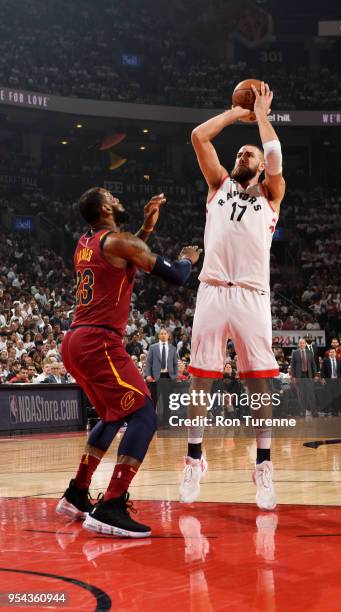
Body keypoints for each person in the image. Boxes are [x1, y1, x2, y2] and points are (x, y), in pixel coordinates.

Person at [56, 187, 200, 538]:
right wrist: (188, 259)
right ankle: (113, 503)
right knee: (144, 415)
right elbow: (176, 276)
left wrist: (147, 230)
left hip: (75, 340)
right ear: (106, 208)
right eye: (112, 197)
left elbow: (123, 252)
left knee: (112, 415)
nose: (119, 200)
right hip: (99, 340)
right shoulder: (118, 242)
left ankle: (77, 493)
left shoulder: (85, 242)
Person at [180, 81, 286, 510]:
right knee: (200, 380)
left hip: (252, 295)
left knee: (258, 383)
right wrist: (233, 113)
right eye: (240, 152)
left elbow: (275, 153)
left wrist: (261, 113)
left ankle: (263, 467)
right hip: (212, 290)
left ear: (261, 168)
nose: (243, 154)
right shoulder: (218, 186)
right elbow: (198, 138)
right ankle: (193, 459)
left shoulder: (272, 196)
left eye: (250, 153)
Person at [145, 327, 178, 406]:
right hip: (155, 377)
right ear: (158, 336)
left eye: (165, 334)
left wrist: (175, 376)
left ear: (168, 336)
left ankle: (166, 418)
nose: (163, 335)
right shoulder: (152, 347)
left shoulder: (173, 348)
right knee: (153, 402)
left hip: (168, 377)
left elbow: (175, 364)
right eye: (161, 334)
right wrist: (148, 375)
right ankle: (152, 418)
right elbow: (149, 362)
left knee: (167, 402)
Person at [290, 338, 317, 416]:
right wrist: (293, 377)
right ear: (298, 344)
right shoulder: (295, 353)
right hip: (299, 376)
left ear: (305, 344)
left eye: (303, 343)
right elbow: (293, 366)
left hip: (309, 376)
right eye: (300, 343)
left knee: (311, 394)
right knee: (301, 395)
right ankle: (302, 412)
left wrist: (315, 375)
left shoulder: (310, 352)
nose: (301, 344)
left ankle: (314, 412)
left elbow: (313, 364)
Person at [320, 348, 341, 415]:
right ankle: (327, 410)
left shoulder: (339, 361)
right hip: (329, 381)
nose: (332, 353)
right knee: (328, 396)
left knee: (336, 396)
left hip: (337, 381)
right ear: (329, 353)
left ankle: (335, 411)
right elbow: (322, 371)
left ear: (335, 353)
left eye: (333, 352)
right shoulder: (326, 361)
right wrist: (322, 378)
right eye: (331, 352)